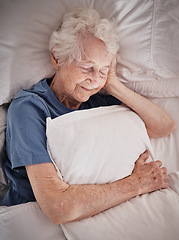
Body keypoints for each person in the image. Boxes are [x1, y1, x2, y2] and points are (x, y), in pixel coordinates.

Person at [1, 8, 175, 224]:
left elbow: (163, 127)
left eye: (103, 70)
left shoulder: (96, 102)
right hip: (31, 218)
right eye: (87, 67)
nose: (95, 80)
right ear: (57, 58)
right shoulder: (28, 109)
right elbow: (58, 207)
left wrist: (112, 84)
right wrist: (136, 183)